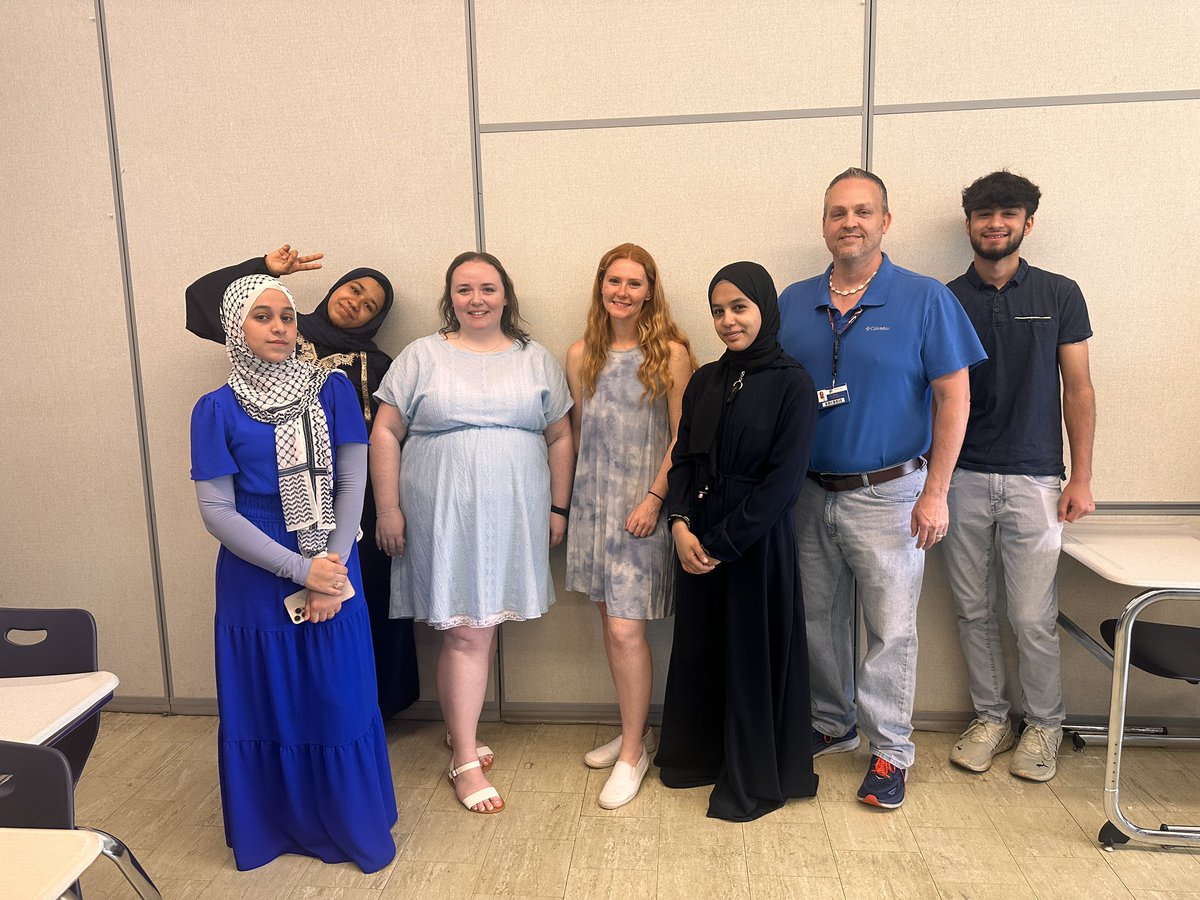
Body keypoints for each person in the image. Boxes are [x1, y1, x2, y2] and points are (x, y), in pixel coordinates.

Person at [778, 168, 986, 809]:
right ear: (824, 225)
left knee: (891, 630)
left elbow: (955, 399)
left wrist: (937, 491)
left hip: (893, 493)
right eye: (838, 212)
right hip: (809, 493)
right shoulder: (792, 302)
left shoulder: (925, 299)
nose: (850, 223)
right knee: (816, 621)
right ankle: (829, 722)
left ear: (885, 222)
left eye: (863, 212)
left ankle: (891, 750)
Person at [190, 274, 397, 872]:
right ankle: (272, 827)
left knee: (336, 698)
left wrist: (326, 571)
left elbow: (351, 483)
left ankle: (348, 823)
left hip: (334, 554)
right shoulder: (215, 409)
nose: (280, 327)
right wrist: (298, 568)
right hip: (256, 575)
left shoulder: (331, 390)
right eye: (263, 316)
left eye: (287, 316)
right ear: (236, 328)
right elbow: (216, 510)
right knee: (268, 704)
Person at [370, 251, 574, 814]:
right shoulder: (421, 356)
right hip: (440, 513)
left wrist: (558, 508)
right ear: (449, 297)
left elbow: (560, 437)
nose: (476, 299)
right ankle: (463, 756)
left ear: (506, 295)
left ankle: (462, 730)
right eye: (464, 290)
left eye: (487, 288)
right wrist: (387, 509)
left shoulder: (536, 359)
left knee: (475, 627)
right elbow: (385, 431)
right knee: (466, 630)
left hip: (513, 513)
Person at [186, 246, 419, 719]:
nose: (357, 303)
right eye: (355, 289)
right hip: (264, 525)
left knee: (353, 616)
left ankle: (366, 714)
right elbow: (204, 301)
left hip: (349, 511)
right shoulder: (283, 331)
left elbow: (383, 443)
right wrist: (261, 269)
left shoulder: (376, 363)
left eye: (370, 304)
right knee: (277, 657)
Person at [943, 170, 1095, 781]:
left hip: (1036, 479)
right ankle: (990, 717)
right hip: (961, 477)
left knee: (1032, 615)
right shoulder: (945, 298)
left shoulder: (1061, 293)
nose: (995, 223)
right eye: (984, 214)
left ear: (1027, 223)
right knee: (972, 609)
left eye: (1008, 214)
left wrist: (1080, 477)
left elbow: (1078, 388)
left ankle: (1044, 725)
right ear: (970, 225)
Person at [655, 261, 819, 822]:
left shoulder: (793, 382)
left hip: (754, 542)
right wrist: (678, 524)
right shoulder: (705, 380)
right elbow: (683, 458)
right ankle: (696, 757)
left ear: (764, 309)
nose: (728, 321)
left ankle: (751, 774)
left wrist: (723, 543)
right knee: (701, 649)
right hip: (695, 535)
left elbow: (784, 482)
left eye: (739, 308)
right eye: (718, 311)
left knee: (751, 655)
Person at [565, 243, 696, 809]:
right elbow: (573, 436)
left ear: (650, 291)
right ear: (601, 287)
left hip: (642, 509)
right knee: (608, 627)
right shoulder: (579, 355)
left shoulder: (668, 354)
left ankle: (633, 756)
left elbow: (681, 438)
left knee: (626, 631)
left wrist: (655, 500)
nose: (622, 291)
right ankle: (634, 729)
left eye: (633, 283)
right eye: (612, 281)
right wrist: (562, 507)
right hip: (592, 508)